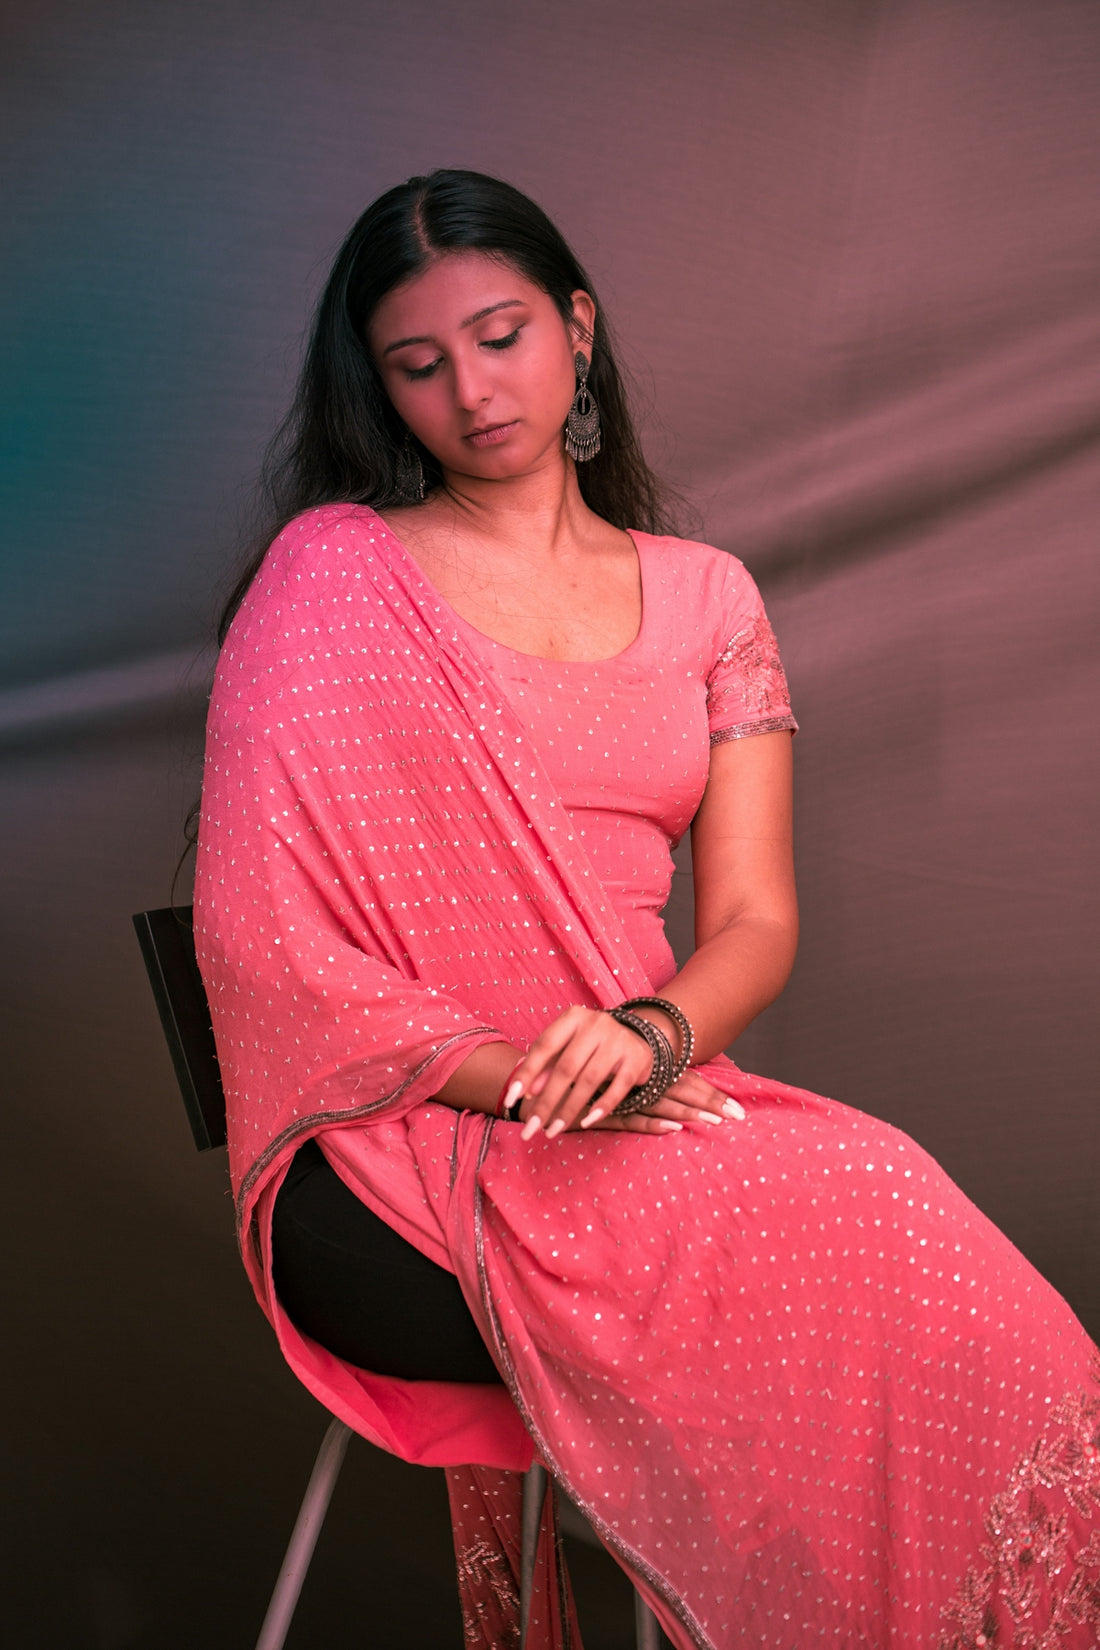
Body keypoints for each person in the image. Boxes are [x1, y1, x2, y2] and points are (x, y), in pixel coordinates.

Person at [193, 170, 1100, 1650]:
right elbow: (265, 944)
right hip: (412, 1138)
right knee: (864, 1218)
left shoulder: (708, 598)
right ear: (382, 386)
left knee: (909, 1215)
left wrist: (648, 1040)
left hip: (657, 1084)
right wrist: (540, 1076)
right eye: (420, 366)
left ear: (579, 326)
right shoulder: (335, 580)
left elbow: (752, 919)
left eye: (502, 336)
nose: (473, 392)